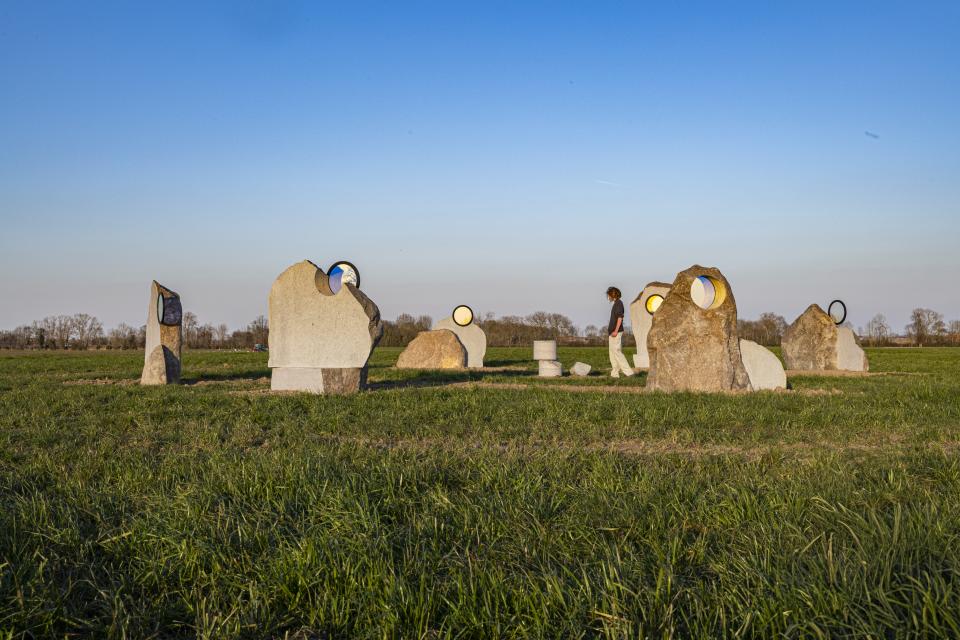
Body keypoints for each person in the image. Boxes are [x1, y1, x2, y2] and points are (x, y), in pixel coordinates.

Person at [606, 286, 634, 378]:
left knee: (617, 351)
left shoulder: (619, 304)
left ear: (612, 294)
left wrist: (615, 331)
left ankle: (629, 372)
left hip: (616, 332)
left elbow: (620, 318)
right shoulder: (616, 303)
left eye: (608, 295)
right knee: (612, 353)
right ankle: (615, 373)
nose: (608, 297)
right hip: (612, 332)